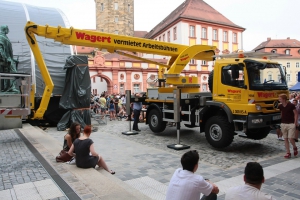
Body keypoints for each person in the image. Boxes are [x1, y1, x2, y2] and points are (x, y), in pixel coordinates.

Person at [278, 94, 298, 158]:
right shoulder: (280, 106)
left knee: (291, 138)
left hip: (291, 123)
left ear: (284, 99)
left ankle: (294, 147)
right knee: (285, 139)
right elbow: (281, 113)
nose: (279, 100)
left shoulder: (291, 105)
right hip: (283, 123)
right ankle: (288, 152)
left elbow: (296, 113)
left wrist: (295, 122)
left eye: (280, 99)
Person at [0, 25, 18, 93]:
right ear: (5, 29)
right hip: (5, 60)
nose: (8, 31)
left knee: (7, 74)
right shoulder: (1, 37)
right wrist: (4, 58)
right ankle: (10, 87)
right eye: (7, 29)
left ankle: (8, 88)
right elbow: (0, 49)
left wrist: (12, 59)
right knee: (13, 73)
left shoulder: (4, 37)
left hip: (8, 59)